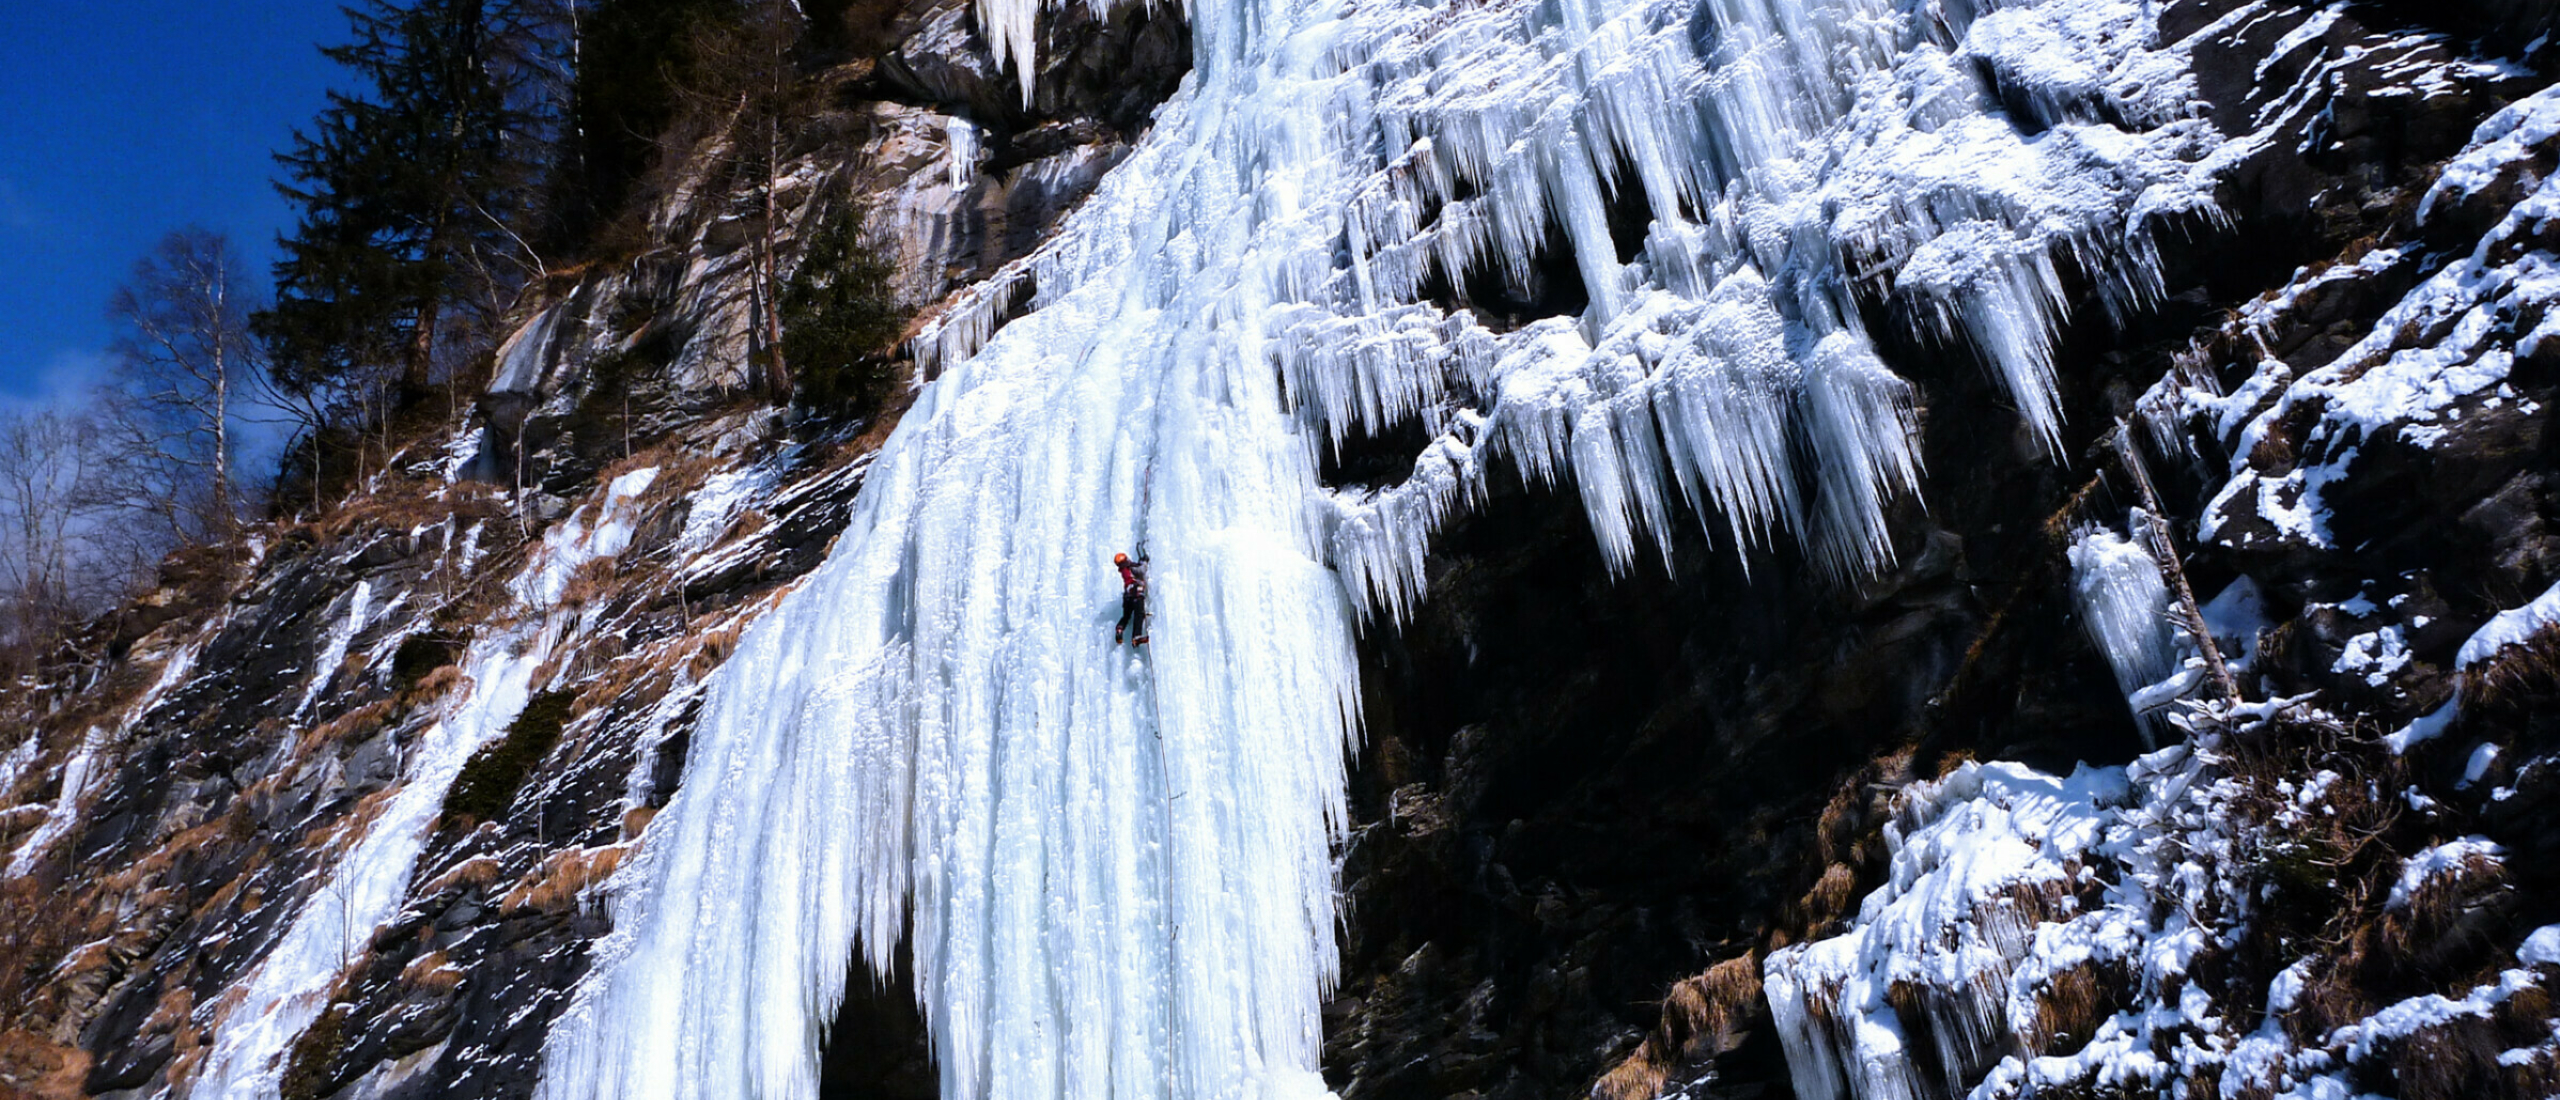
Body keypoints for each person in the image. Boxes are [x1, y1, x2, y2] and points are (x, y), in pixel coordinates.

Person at [1113, 552, 1149, 645]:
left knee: (1126, 616)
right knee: (1139, 614)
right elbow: (1141, 571)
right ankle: (1136, 637)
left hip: (1127, 596)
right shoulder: (1129, 567)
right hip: (1136, 593)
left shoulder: (1124, 570)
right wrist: (1144, 561)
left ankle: (1119, 629)